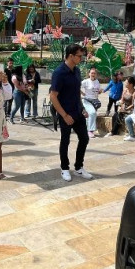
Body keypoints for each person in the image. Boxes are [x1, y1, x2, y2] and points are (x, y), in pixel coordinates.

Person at [49, 43, 93, 182]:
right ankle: (64, 168)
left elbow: (76, 92)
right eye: (79, 56)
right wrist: (64, 115)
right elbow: (53, 96)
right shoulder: (59, 73)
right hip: (66, 113)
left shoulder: (77, 71)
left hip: (77, 111)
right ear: (70, 56)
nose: (81, 58)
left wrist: (82, 108)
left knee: (84, 138)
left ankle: (79, 167)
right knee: (65, 141)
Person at [80, 68, 104, 138]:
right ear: (89, 74)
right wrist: (82, 93)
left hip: (95, 101)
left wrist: (100, 91)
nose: (93, 74)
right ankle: (90, 131)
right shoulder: (86, 81)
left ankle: (85, 130)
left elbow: (98, 91)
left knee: (90, 116)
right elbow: (77, 87)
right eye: (92, 73)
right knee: (93, 113)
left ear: (96, 74)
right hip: (87, 100)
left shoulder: (97, 81)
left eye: (94, 73)